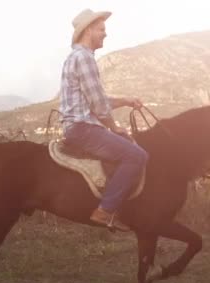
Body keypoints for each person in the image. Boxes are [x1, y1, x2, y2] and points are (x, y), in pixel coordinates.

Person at [59, 8, 149, 231]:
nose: (105, 34)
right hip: (83, 128)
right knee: (136, 156)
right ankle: (105, 211)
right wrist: (114, 127)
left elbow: (96, 98)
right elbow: (99, 106)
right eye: (101, 29)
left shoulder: (77, 57)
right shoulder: (84, 59)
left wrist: (126, 100)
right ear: (88, 30)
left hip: (78, 126)